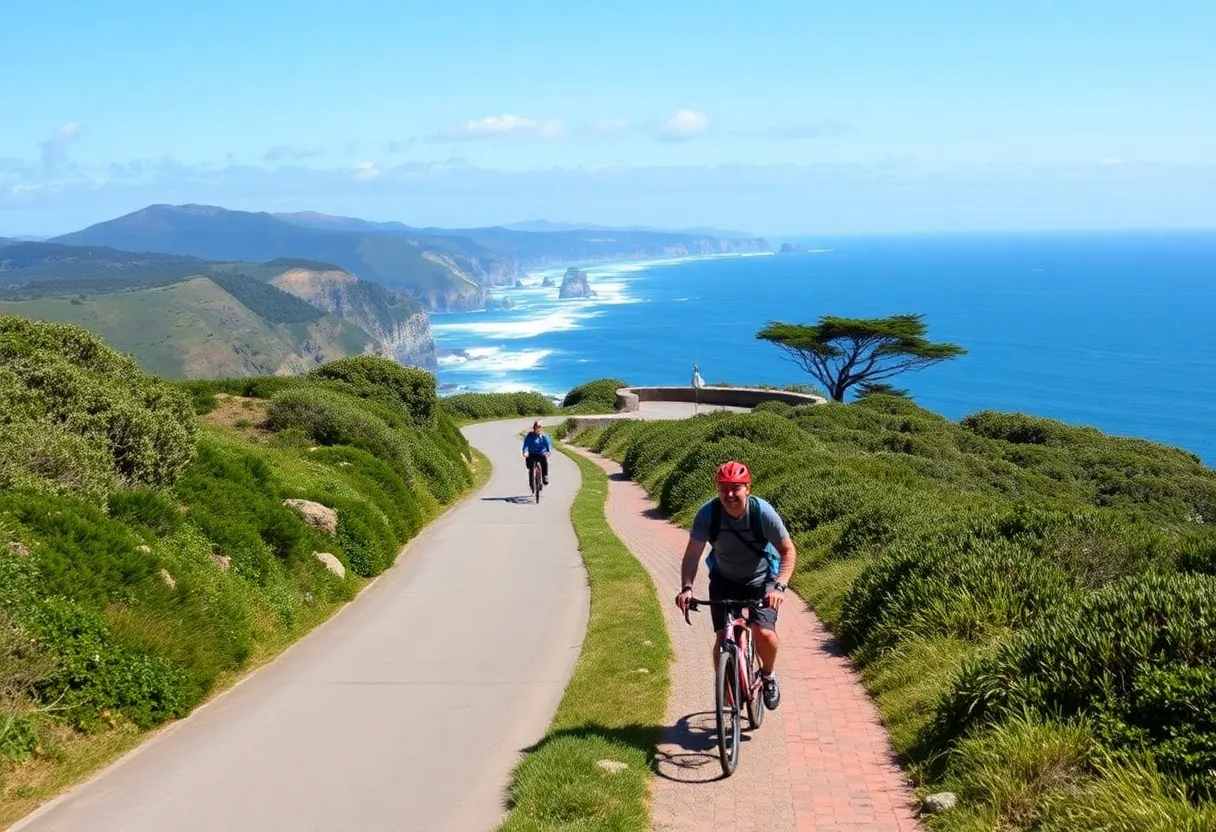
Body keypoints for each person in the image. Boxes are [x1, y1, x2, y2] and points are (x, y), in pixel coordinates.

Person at [675, 460, 796, 710]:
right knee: (723, 638)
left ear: (747, 488)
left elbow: (787, 550)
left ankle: (768, 676)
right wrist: (687, 588)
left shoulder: (762, 512)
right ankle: (725, 682)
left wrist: (780, 587)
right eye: (723, 488)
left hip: (761, 580)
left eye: (736, 488)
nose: (729, 494)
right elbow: (691, 556)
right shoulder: (708, 514)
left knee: (762, 632)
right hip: (724, 579)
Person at [521, 420, 552, 486]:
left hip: (541, 453)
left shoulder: (544, 436)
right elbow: (526, 444)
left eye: (539, 427)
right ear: (534, 428)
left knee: (544, 461)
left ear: (541, 428)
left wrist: (548, 451)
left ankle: (545, 476)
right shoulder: (530, 435)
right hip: (532, 453)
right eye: (536, 427)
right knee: (530, 466)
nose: (538, 429)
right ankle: (532, 481)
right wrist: (525, 452)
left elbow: (548, 444)